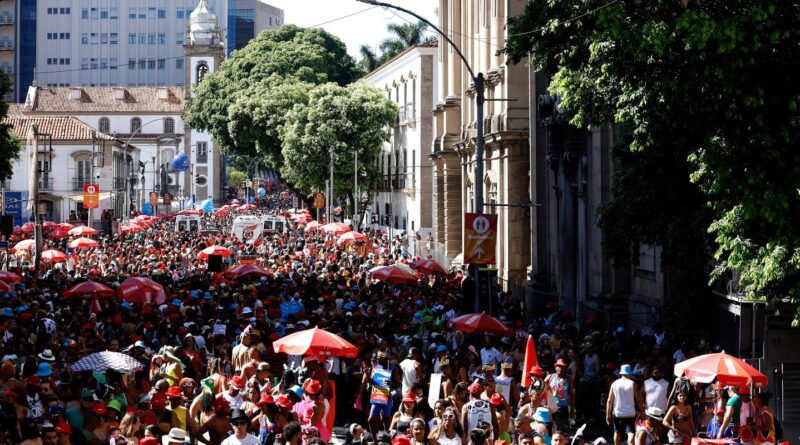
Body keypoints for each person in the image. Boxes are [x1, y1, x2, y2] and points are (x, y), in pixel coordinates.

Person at [606, 365, 644, 445]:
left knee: (617, 432)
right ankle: (630, 443)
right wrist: (642, 412)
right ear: (629, 373)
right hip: (630, 413)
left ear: (621, 373)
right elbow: (639, 400)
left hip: (618, 413)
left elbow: (609, 400)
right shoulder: (633, 384)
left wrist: (608, 414)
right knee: (631, 432)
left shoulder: (614, 384)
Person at [544, 359, 574, 433]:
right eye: (558, 366)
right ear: (555, 367)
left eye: (562, 367)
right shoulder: (549, 378)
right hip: (551, 409)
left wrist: (573, 410)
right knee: (552, 430)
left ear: (565, 368)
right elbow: (543, 393)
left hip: (563, 408)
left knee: (564, 431)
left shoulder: (568, 379)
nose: (560, 368)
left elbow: (572, 396)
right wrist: (544, 405)